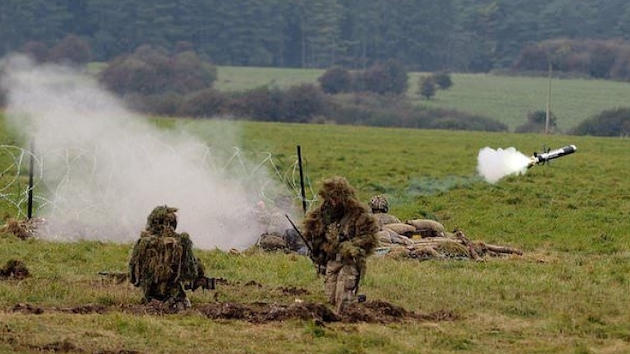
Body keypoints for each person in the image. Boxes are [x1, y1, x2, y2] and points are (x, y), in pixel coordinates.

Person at [302, 176, 379, 313]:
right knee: (331, 297)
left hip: (349, 261)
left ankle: (346, 320)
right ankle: (355, 301)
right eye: (331, 198)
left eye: (336, 198)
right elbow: (313, 236)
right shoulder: (321, 214)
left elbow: (368, 237)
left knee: (343, 298)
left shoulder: (358, 214)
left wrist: (350, 247)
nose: (333, 201)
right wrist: (318, 249)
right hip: (331, 261)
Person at [128, 205, 207, 310]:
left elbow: (133, 275)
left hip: (150, 294)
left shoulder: (142, 243)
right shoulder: (182, 241)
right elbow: (190, 273)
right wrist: (200, 269)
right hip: (174, 295)